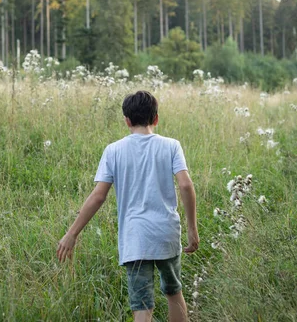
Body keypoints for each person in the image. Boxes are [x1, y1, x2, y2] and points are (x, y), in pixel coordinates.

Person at [57, 90, 199, 322]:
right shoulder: (172, 145)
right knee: (174, 293)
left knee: (142, 306)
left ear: (127, 121)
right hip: (167, 233)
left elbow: (98, 196)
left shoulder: (113, 150)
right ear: (156, 119)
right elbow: (185, 185)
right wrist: (192, 228)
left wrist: (72, 234)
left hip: (135, 238)